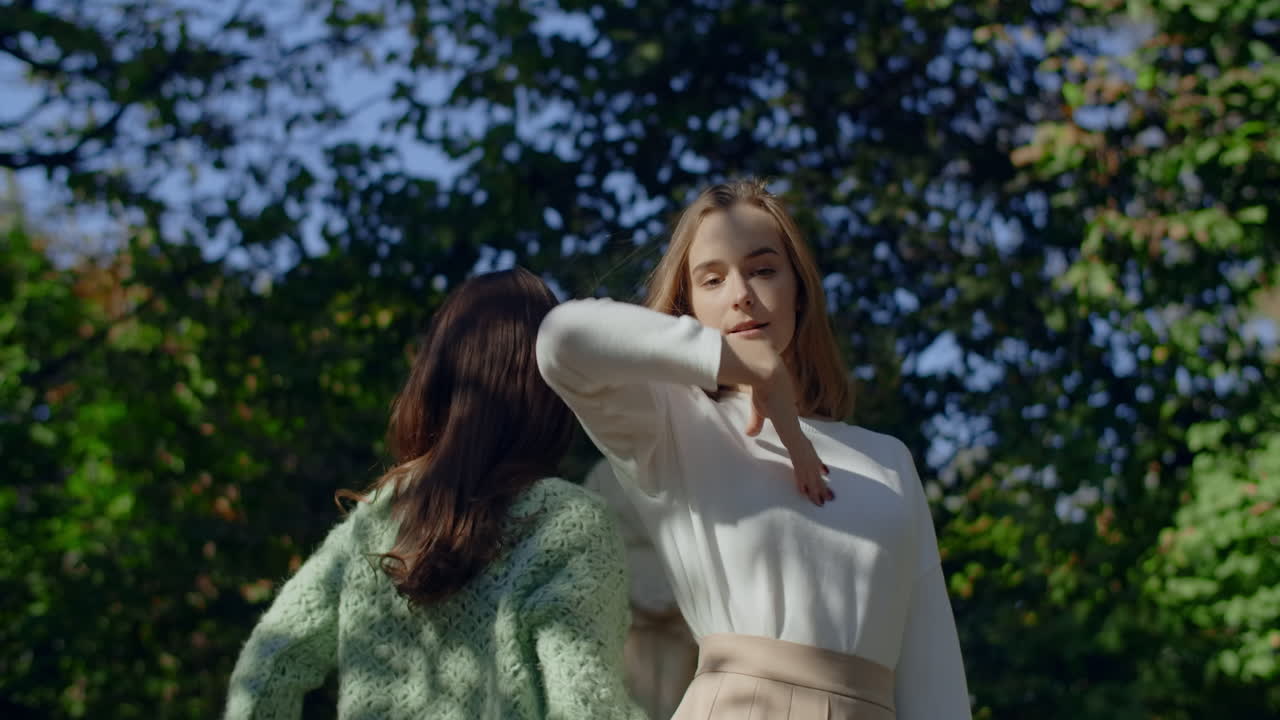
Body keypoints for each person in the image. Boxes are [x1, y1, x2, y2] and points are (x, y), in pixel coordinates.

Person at [536, 179, 971, 719]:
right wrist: (741, 364)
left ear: (800, 290)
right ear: (689, 306)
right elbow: (561, 340)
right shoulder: (671, 425)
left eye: (763, 270)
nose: (741, 293)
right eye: (712, 279)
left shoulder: (888, 461)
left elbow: (935, 675)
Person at [224, 268, 647, 720]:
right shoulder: (568, 524)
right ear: (551, 388)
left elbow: (269, 663)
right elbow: (585, 703)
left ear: (436, 378)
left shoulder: (379, 517)